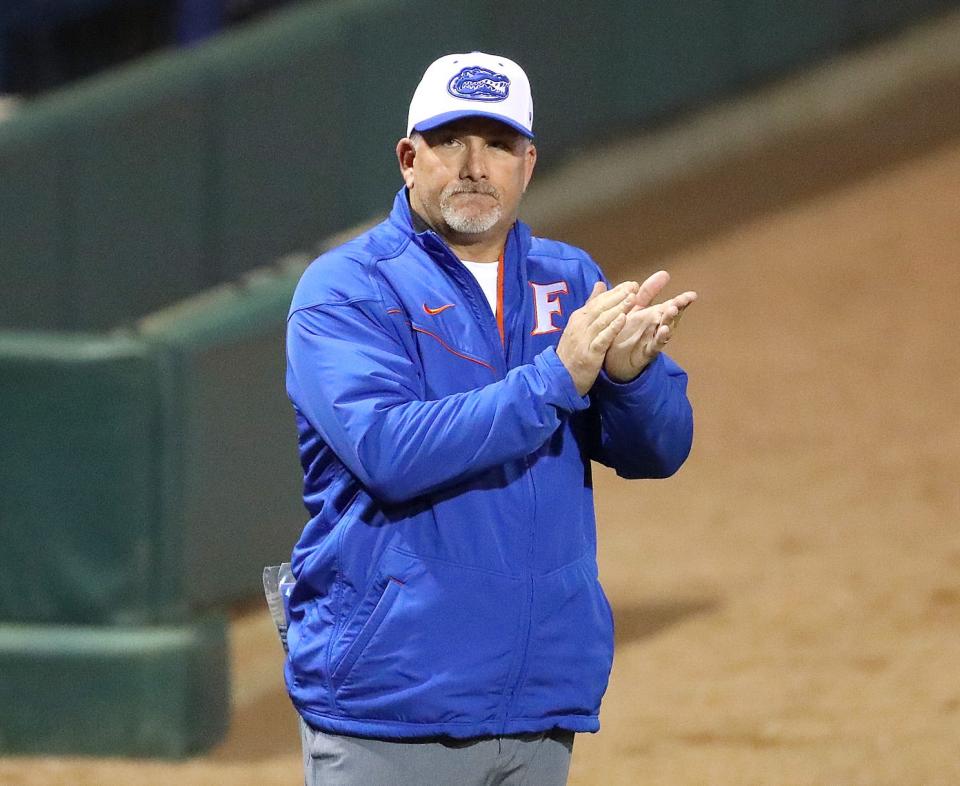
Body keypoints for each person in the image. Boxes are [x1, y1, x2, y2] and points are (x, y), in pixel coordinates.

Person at [284, 51, 697, 786]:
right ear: (410, 158)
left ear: (527, 164)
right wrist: (556, 378)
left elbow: (661, 451)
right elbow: (388, 449)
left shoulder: (568, 281)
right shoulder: (347, 291)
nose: (475, 165)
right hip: (393, 701)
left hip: (538, 701)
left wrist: (631, 383)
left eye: (499, 145)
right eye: (452, 142)